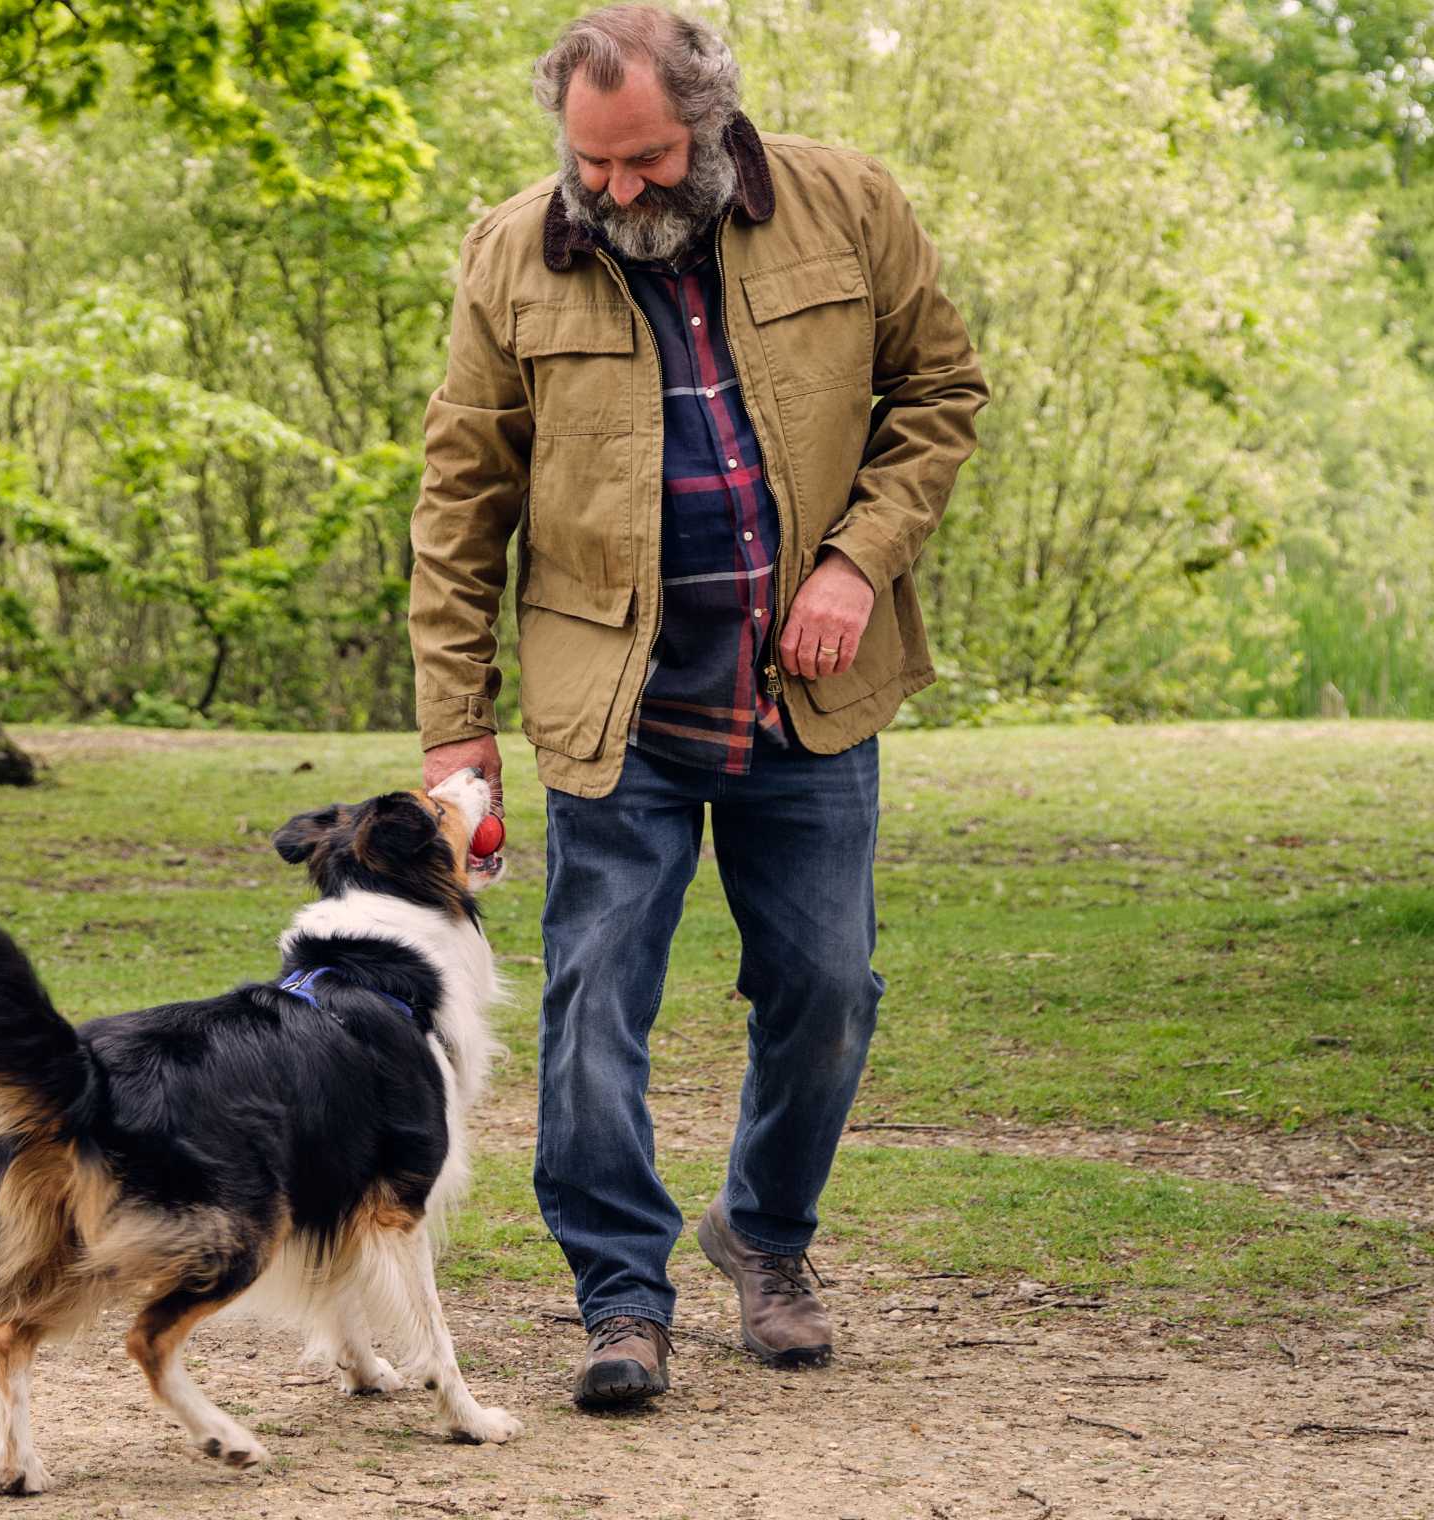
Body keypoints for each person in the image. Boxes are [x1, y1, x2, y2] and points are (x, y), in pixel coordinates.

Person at [408, 3, 988, 1410]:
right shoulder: (509, 253)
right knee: (597, 1000)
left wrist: (857, 562)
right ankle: (621, 1294)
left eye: (649, 158)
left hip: (806, 696)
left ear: (713, 122)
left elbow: (939, 392)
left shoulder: (848, 202)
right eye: (592, 163)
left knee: (828, 994)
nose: (617, 191)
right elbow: (462, 493)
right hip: (615, 702)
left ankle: (766, 1238)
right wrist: (455, 725)